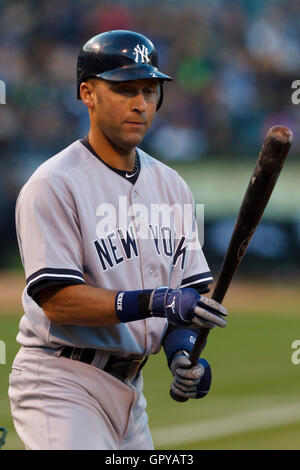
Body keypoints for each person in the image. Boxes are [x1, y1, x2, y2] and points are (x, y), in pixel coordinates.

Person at [9, 30, 228, 450]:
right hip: (61, 383)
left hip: (131, 391)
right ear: (88, 94)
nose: (140, 103)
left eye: (149, 90)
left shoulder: (172, 185)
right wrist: (155, 301)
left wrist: (182, 352)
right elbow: (57, 299)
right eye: (124, 89)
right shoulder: (54, 185)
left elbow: (188, 294)